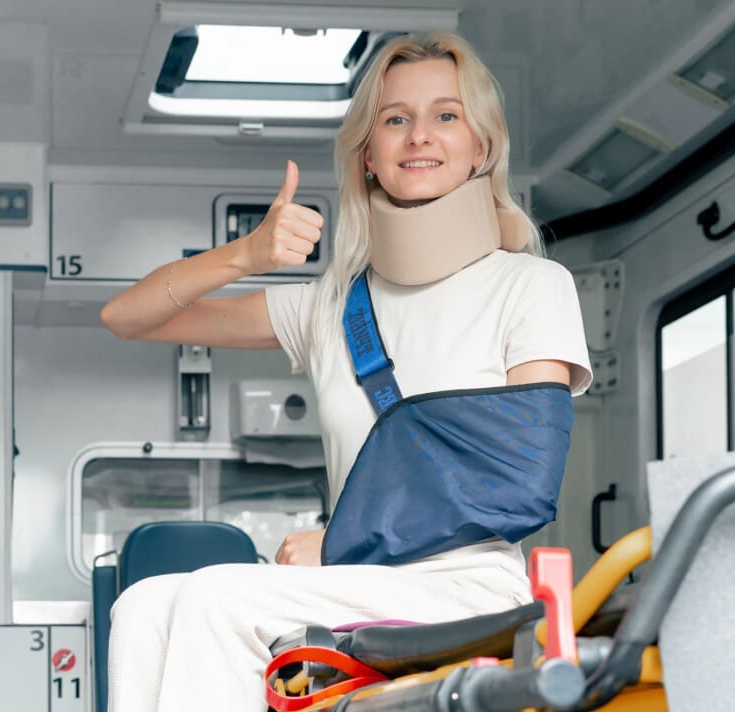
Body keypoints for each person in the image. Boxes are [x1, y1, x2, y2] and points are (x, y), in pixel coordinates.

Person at [99, 31, 592, 711]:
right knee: (143, 604)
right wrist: (246, 253)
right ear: (367, 155)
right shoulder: (329, 307)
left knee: (216, 597)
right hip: (355, 581)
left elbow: (518, 483)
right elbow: (128, 317)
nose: (419, 135)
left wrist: (338, 539)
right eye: (395, 119)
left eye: (446, 115)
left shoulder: (533, 285)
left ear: (481, 148)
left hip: (466, 587)